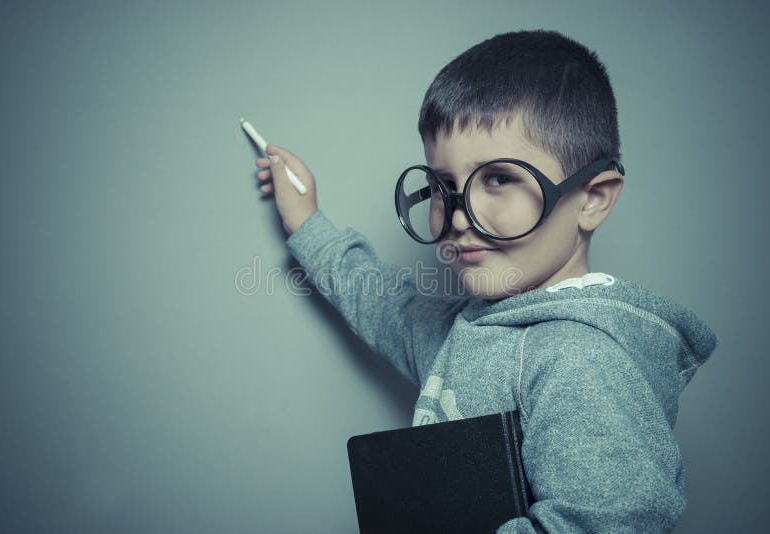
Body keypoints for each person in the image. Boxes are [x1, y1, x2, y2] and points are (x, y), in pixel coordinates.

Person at [253, 29, 718, 533]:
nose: (457, 217)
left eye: (498, 178)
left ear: (592, 198)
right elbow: (385, 306)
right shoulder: (475, 330)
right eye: (441, 186)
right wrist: (307, 221)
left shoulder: (583, 361)